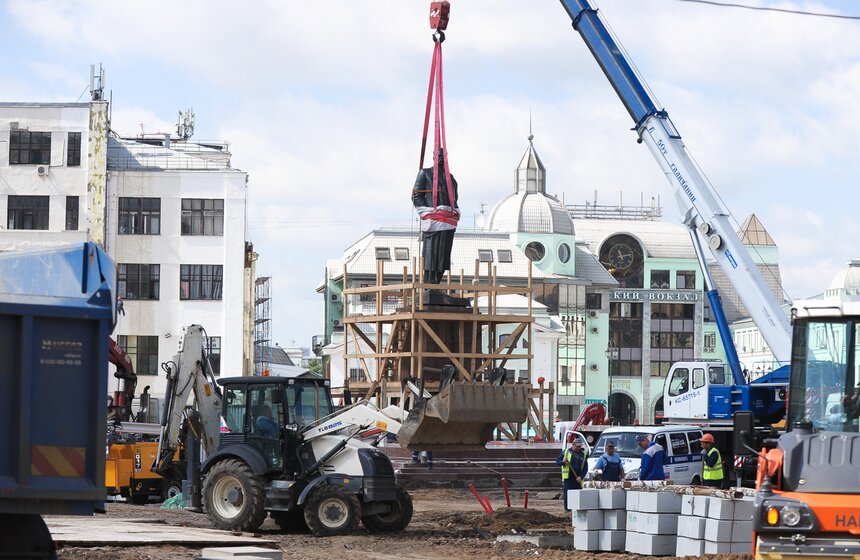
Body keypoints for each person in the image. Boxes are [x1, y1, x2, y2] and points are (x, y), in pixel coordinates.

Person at [412, 149, 459, 284]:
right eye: (438, 156)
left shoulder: (451, 179)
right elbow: (416, 196)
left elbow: (455, 199)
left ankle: (437, 282)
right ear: (433, 157)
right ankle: (429, 283)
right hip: (432, 222)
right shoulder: (425, 174)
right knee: (431, 253)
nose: (440, 159)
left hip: (447, 223)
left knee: (443, 255)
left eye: (443, 156)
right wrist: (428, 213)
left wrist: (452, 212)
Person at [556, 433, 588, 510]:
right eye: (577, 446)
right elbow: (558, 462)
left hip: (578, 478)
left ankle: (576, 508)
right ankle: (567, 509)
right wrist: (563, 461)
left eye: (580, 446)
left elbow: (585, 468)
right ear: (573, 445)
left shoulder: (583, 454)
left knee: (577, 495)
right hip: (569, 478)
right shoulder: (566, 452)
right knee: (568, 494)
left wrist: (581, 477)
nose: (578, 448)